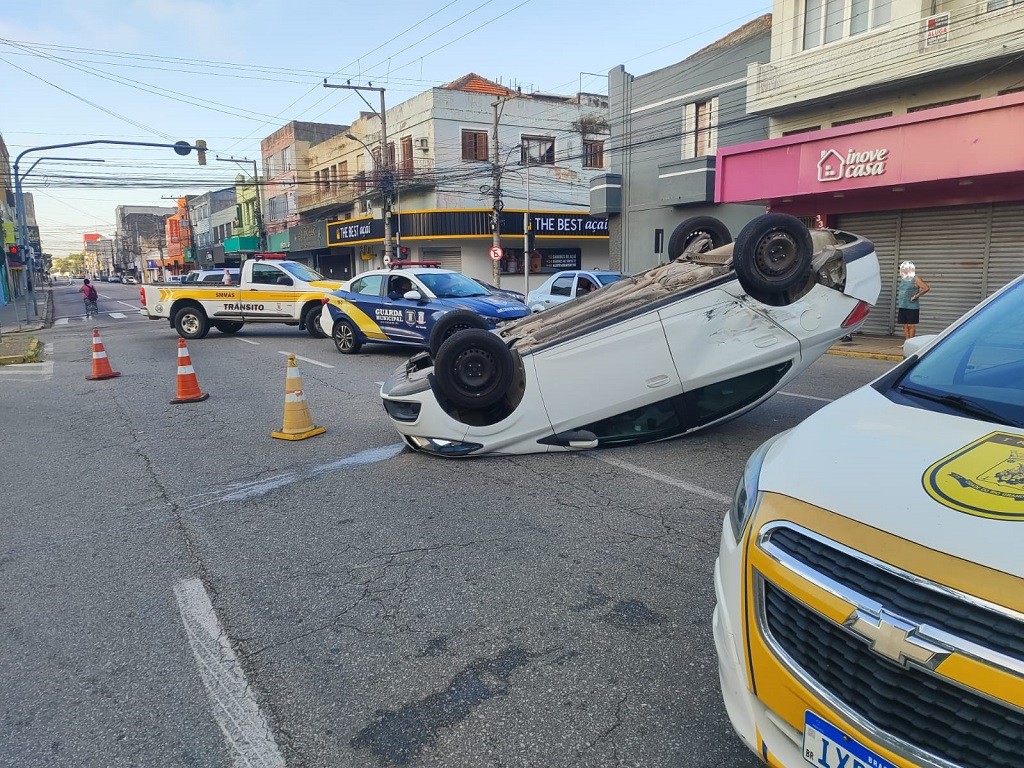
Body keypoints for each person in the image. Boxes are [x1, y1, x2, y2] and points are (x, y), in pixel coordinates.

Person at [896, 260, 929, 339]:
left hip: (912, 306)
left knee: (911, 325)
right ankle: (907, 342)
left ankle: (911, 342)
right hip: (902, 304)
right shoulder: (903, 279)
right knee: (904, 325)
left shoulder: (916, 279)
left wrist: (916, 296)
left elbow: (926, 288)